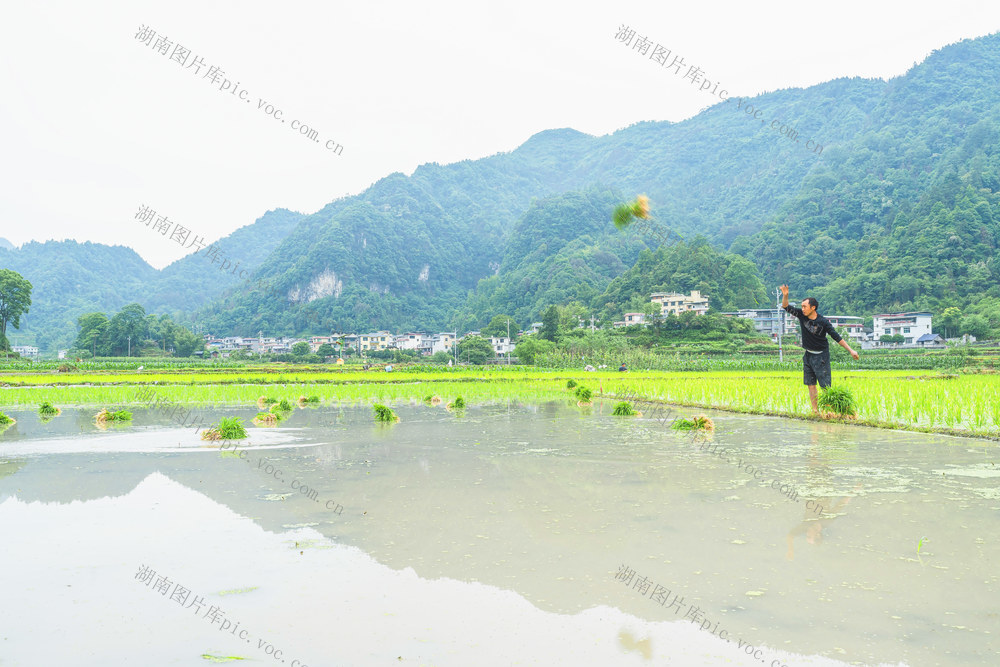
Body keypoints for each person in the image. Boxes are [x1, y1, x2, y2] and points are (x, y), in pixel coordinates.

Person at [780, 284, 859, 415]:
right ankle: (815, 410)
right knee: (810, 384)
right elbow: (785, 307)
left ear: (813, 307)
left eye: (805, 306)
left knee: (825, 385)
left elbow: (836, 336)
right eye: (802, 306)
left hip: (821, 356)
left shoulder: (823, 322)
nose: (802, 309)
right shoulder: (801, 315)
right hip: (808, 355)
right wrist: (785, 296)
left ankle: (829, 411)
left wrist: (851, 350)